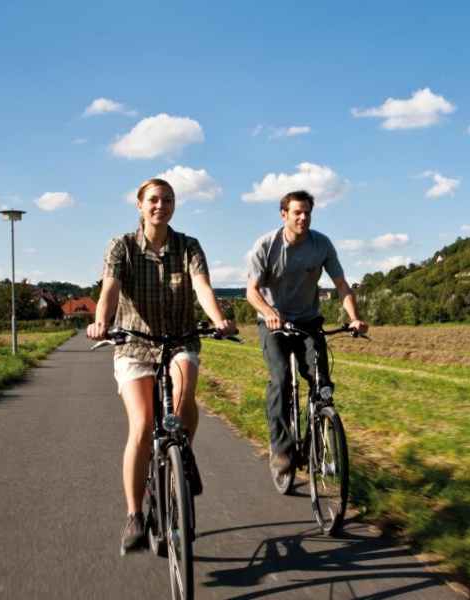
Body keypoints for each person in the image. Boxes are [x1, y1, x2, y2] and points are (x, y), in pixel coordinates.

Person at [86, 178, 236, 553]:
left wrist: (217, 318)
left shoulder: (189, 246)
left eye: (168, 200)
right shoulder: (121, 246)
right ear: (140, 205)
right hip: (134, 345)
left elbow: (201, 285)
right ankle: (135, 515)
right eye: (153, 199)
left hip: (179, 339)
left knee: (186, 402)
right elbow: (110, 289)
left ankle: (182, 452)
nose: (161, 205)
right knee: (141, 425)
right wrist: (101, 321)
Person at [245, 190, 368, 481]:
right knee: (281, 380)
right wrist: (270, 312)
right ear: (284, 214)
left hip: (308, 321)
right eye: (297, 212)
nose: (303, 218)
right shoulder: (266, 245)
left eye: (307, 213)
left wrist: (354, 318)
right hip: (273, 323)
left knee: (321, 384)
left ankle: (320, 436)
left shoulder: (321, 244)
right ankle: (281, 450)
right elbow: (251, 292)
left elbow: (341, 285)